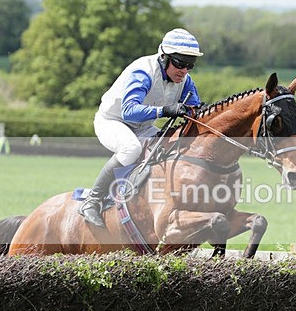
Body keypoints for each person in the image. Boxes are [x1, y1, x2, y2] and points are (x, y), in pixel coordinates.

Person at [78, 28, 203, 228]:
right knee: (131, 148)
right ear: (164, 57)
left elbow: (195, 108)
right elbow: (128, 111)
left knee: (170, 147)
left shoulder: (185, 80)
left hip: (142, 127)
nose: (184, 71)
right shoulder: (143, 72)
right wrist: (166, 110)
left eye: (190, 65)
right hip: (112, 121)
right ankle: (91, 201)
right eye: (180, 63)